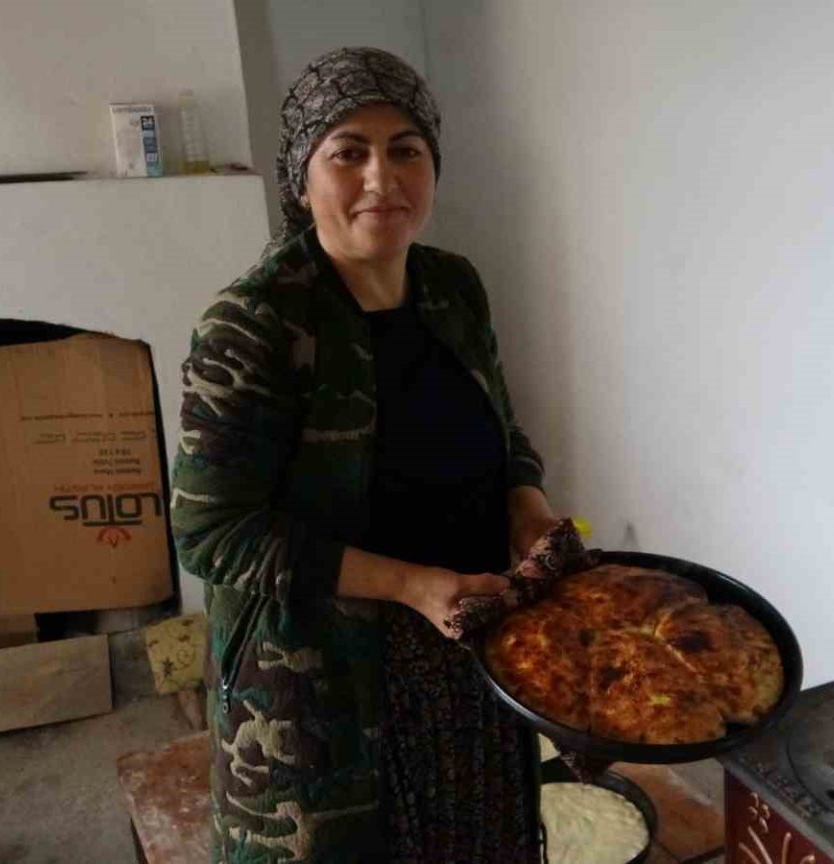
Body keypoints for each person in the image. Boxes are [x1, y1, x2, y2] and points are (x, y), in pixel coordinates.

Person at [170, 47, 561, 863]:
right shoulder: (255, 324)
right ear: (301, 178)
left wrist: (528, 510)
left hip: (470, 653)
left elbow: (502, 434)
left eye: (405, 150)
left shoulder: (453, 289)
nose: (382, 178)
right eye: (349, 152)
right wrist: (412, 585)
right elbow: (211, 533)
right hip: (320, 693)